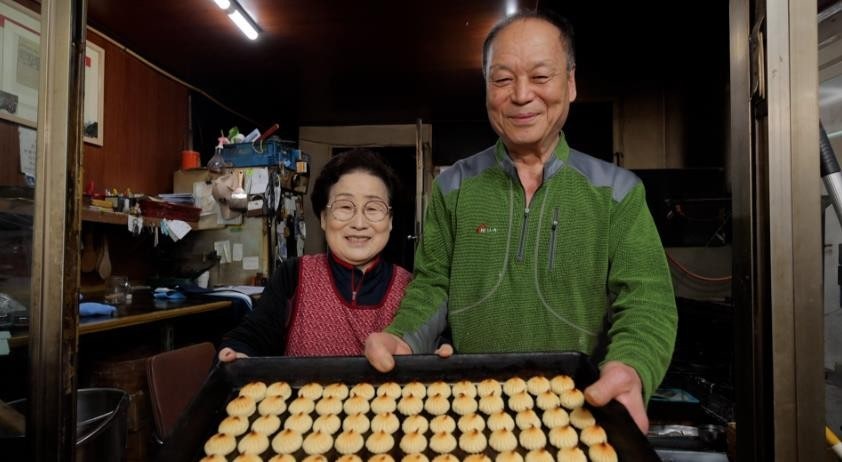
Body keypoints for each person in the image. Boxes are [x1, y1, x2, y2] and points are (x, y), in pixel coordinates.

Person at [364, 10, 677, 433]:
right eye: (502, 79)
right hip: (471, 415)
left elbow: (646, 302)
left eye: (541, 76)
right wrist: (403, 336)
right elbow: (432, 285)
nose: (522, 95)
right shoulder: (453, 186)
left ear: (570, 83)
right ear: (487, 88)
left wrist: (632, 365)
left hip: (579, 415)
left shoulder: (618, 192)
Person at [217, 149, 412, 359]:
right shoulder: (293, 276)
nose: (359, 223)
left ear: (390, 221)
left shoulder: (412, 288)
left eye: (373, 208)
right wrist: (236, 354)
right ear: (324, 218)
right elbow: (250, 338)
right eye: (345, 206)